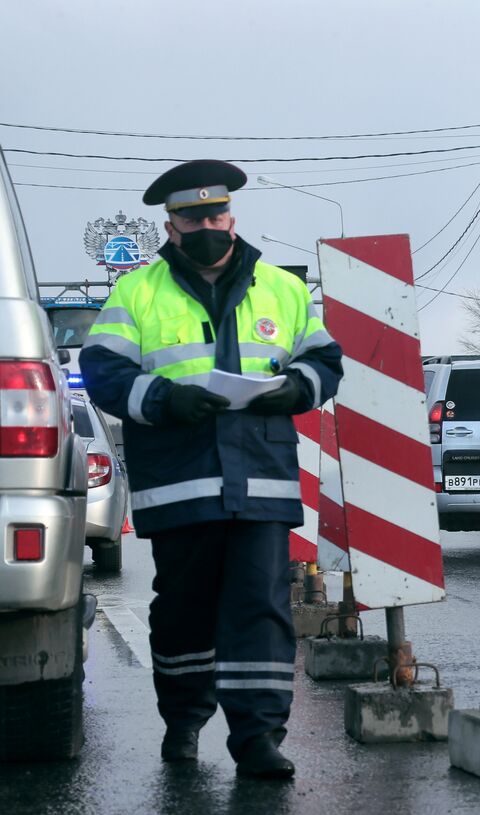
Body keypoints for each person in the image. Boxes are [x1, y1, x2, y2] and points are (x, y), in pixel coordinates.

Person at [80, 160, 343, 779]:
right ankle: (184, 721)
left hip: (261, 480)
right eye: (192, 218)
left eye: (215, 215)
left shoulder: (282, 288)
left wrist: (296, 387)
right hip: (179, 483)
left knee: (261, 608)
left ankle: (258, 739)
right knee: (184, 611)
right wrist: (164, 398)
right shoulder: (137, 292)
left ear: (231, 217)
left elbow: (325, 360)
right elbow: (102, 370)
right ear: (170, 226)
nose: (206, 227)